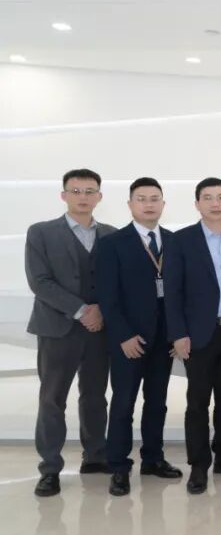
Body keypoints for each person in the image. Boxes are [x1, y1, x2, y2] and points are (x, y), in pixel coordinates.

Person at [163, 177, 221, 495]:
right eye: (208, 197)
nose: (215, 203)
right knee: (198, 403)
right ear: (197, 204)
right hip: (198, 336)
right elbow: (173, 292)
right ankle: (199, 465)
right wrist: (178, 334)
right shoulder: (181, 240)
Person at [26, 168, 116, 497]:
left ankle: (95, 456)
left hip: (99, 330)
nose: (83, 197)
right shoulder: (41, 232)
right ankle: (50, 468)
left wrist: (101, 310)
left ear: (99, 197)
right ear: (63, 195)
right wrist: (82, 310)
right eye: (76, 191)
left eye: (90, 191)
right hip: (57, 329)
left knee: (95, 396)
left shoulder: (111, 235)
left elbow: (118, 281)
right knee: (53, 399)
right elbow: (40, 281)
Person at [97, 177, 182, 496]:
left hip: (164, 340)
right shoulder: (112, 243)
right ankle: (118, 467)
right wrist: (123, 335)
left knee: (157, 403)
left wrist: (177, 334)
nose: (149, 204)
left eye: (155, 198)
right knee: (123, 403)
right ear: (130, 204)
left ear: (163, 204)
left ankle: (153, 458)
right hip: (129, 340)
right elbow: (108, 297)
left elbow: (180, 292)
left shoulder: (174, 241)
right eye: (142, 199)